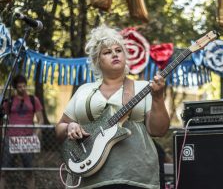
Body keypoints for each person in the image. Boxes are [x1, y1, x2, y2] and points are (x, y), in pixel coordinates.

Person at [55, 25, 170, 189]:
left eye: (118, 50)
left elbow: (158, 130)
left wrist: (158, 97)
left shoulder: (142, 87)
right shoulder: (84, 90)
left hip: (134, 177)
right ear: (97, 60)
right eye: (107, 52)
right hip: (88, 177)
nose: (114, 54)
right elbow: (59, 128)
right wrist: (70, 127)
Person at [0, 74, 44, 189]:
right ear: (15, 87)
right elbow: (1, 116)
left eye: (24, 86)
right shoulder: (9, 100)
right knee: (4, 170)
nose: (22, 88)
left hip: (27, 139)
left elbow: (41, 119)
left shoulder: (33, 100)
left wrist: (36, 133)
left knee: (29, 171)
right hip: (11, 139)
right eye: (20, 87)